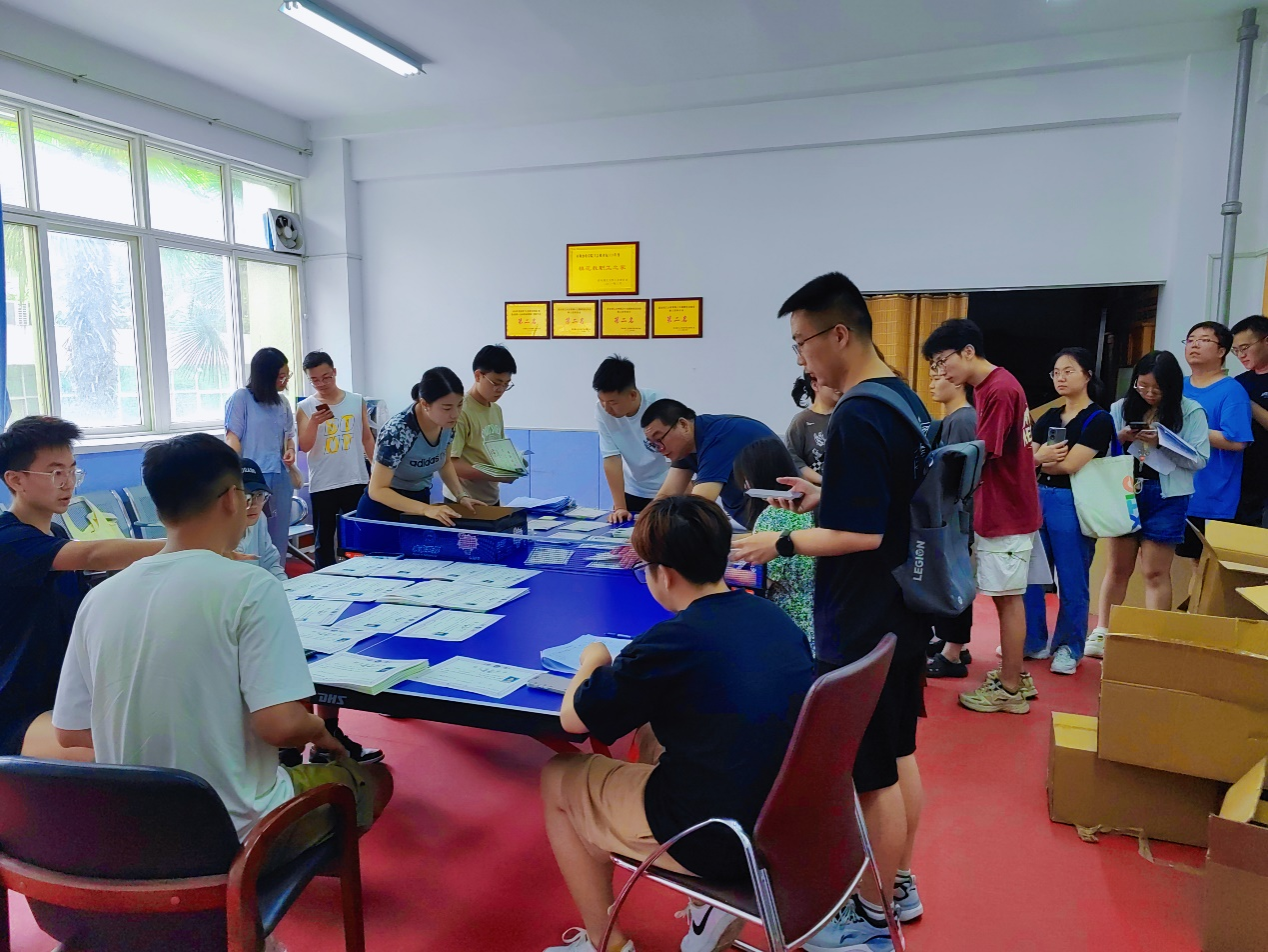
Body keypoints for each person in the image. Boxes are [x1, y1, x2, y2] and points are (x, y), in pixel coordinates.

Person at [52, 433, 392, 850]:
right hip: (237, 837)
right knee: (374, 779)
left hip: (131, 835)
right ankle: (280, 874)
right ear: (232, 498)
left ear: (159, 509)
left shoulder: (99, 598)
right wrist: (320, 732)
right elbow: (282, 726)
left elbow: (70, 731)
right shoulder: (250, 586)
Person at [731, 272, 932, 952]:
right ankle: (898, 885)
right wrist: (827, 493)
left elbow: (863, 534)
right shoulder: (900, 397)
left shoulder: (855, 414)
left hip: (866, 614)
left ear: (838, 334)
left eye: (802, 343)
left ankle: (872, 915)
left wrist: (779, 540)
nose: (801, 359)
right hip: (903, 608)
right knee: (898, 755)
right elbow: (885, 500)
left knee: (870, 777)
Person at [539, 496, 813, 952]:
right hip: (789, 821)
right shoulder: (771, 616)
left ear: (663, 574)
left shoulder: (671, 642)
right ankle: (706, 908)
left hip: (721, 838)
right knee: (653, 730)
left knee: (559, 776)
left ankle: (606, 943)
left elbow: (574, 721)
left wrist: (593, 659)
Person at [0, 416, 163, 761]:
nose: (68, 483)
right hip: (16, 708)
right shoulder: (9, 539)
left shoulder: (55, 534)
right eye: (55, 473)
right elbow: (92, 553)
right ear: (15, 480)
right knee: (128, 756)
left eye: (73, 471)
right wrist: (185, 544)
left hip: (63, 695)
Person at [922, 319, 1042, 715]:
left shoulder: (999, 389)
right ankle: (1014, 675)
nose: (941, 373)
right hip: (1001, 508)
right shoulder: (989, 388)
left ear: (968, 352)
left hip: (1007, 511)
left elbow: (982, 452)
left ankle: (1009, 689)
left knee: (1007, 600)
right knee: (1006, 597)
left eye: (943, 362)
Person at [1087, 351, 1209, 657]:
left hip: (1167, 496)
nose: (1149, 394)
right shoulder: (1120, 407)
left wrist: (1162, 442)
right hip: (1125, 491)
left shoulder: (1190, 411)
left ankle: (1154, 637)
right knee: (1118, 568)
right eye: (1142, 386)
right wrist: (1121, 437)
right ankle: (1103, 630)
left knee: (1155, 572)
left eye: (1157, 389)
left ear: (1172, 387)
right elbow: (1101, 453)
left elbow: (1199, 459)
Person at [1022, 348, 1115, 676]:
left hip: (1073, 500)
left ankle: (1069, 646)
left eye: (1068, 371)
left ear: (1087, 375)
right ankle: (1032, 639)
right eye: (1056, 372)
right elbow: (1029, 458)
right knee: (1031, 574)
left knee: (1073, 578)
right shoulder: (1050, 415)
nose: (1060, 378)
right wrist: (1040, 459)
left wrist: (1042, 460)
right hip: (1039, 497)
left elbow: (1071, 464)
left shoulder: (1099, 419)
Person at [356, 368, 480, 526]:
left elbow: (445, 462)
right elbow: (377, 490)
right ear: (425, 404)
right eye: (447, 408)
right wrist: (425, 509)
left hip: (419, 499)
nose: (455, 414)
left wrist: (461, 496)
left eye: (460, 405)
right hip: (384, 508)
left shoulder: (447, 424)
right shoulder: (398, 431)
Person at [1177, 321, 1254, 561]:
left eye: (1203, 340)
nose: (1194, 345)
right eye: (1190, 340)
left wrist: (1189, 430)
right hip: (1175, 491)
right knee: (1182, 563)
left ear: (1221, 351)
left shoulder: (1232, 391)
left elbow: (1237, 442)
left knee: (1206, 567)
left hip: (1212, 496)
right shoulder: (1177, 387)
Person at [640, 399, 777, 529]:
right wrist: (641, 527)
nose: (660, 449)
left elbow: (698, 506)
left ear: (683, 425)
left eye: (660, 439)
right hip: (754, 520)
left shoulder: (720, 436)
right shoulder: (685, 446)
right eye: (653, 444)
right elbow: (666, 494)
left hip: (778, 520)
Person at [733, 437, 816, 645]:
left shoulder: (771, 517)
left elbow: (763, 580)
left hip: (790, 627)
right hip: (821, 622)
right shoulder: (811, 506)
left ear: (751, 480)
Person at [296, 351, 374, 568]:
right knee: (324, 540)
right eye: (314, 380)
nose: (321, 384)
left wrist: (376, 468)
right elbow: (304, 446)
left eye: (326, 377)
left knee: (356, 536)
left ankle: (359, 574)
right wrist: (314, 423)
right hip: (323, 481)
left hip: (355, 477)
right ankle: (324, 576)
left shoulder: (356, 400)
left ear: (335, 372)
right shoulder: (305, 407)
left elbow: (367, 437)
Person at [925, 371, 978, 678]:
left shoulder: (962, 420)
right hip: (953, 514)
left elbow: (956, 475)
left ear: (957, 382)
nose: (931, 383)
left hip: (954, 515)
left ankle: (953, 652)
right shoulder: (953, 419)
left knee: (953, 580)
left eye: (937, 377)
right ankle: (950, 641)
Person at [225, 347, 296, 559]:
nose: (285, 381)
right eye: (281, 376)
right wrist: (233, 472)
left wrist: (291, 451)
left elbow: (288, 438)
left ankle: (278, 574)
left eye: (287, 375)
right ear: (266, 376)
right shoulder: (241, 398)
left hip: (280, 475)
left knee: (278, 535)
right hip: (252, 477)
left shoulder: (283, 403)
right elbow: (232, 437)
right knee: (250, 535)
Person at [592, 356, 670, 523]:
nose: (606, 408)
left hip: (669, 488)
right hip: (634, 490)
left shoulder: (660, 404)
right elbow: (611, 458)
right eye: (602, 400)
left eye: (612, 402)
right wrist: (620, 507)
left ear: (633, 395)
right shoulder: (602, 410)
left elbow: (678, 459)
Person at [449, 344, 518, 506]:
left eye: (506, 384)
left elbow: (497, 452)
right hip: (463, 500)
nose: (500, 389)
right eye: (496, 382)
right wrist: (497, 475)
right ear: (478, 375)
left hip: (491, 497)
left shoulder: (496, 410)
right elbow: (451, 464)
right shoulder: (460, 410)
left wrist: (513, 465)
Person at [1231, 315, 1268, 527]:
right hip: (1243, 479)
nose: (1240, 355)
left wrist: (1246, 403)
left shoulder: (1239, 391)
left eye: (1245, 348)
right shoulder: (1240, 382)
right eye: (1235, 350)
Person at [235, 459, 288, 582]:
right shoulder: (217, 531)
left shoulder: (259, 519)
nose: (254, 504)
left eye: (259, 495)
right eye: (246, 496)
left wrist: (285, 587)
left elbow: (270, 562)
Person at [785, 373, 841, 485]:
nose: (838, 386)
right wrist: (826, 483)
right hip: (817, 490)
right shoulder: (801, 422)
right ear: (815, 385)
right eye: (832, 381)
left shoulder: (847, 416)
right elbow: (793, 459)